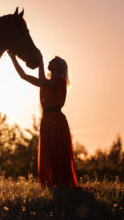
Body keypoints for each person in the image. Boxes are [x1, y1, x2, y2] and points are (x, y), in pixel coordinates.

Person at [7, 49, 78, 188]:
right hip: (46, 120)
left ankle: (60, 183)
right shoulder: (46, 81)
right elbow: (23, 75)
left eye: (54, 61)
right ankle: (51, 184)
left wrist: (40, 61)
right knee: (49, 153)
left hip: (57, 120)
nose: (51, 61)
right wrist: (13, 58)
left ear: (59, 67)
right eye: (50, 60)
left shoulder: (60, 81)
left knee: (57, 153)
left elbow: (42, 81)